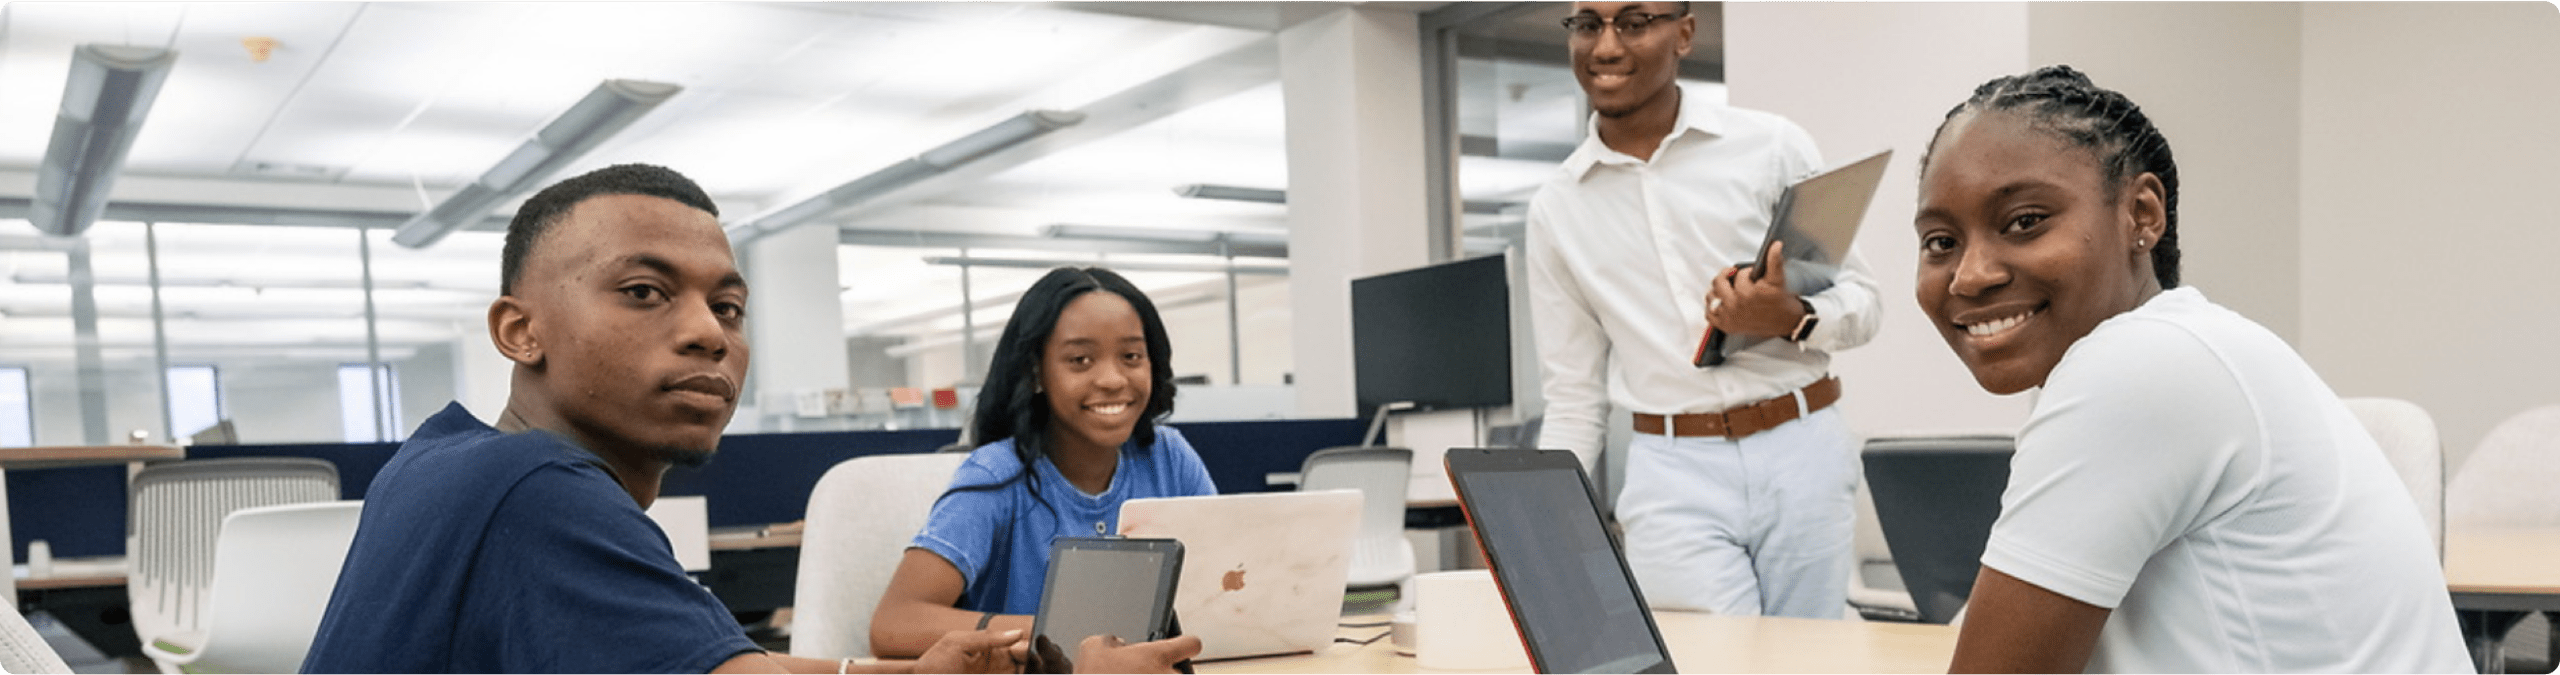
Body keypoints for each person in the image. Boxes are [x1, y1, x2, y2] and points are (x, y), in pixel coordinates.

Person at [301, 164, 1198, 675]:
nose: (706, 332)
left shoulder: (444, 457)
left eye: (728, 307)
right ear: (519, 329)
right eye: (645, 292)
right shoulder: (537, 489)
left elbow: (733, 666)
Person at [1914, 66, 2471, 673]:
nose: (1970, 275)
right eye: (1941, 242)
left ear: (2142, 214)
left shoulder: (2138, 366)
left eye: (2025, 221)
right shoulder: (2188, 347)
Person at [1524, 1, 1881, 618]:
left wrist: (1790, 315)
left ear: (1684, 34)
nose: (1606, 46)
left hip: (1802, 446)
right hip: (1670, 468)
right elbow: (1574, 397)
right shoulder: (1557, 208)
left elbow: (1864, 304)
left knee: (1812, 661)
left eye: (1634, 22)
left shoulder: (1771, 146)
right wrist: (1532, 520)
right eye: (1588, 24)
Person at [870, 267, 1218, 658]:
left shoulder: (1168, 457)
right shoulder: (997, 477)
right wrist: (1058, 631)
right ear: (1036, 372)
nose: (1112, 378)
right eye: (1081, 360)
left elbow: (1228, 584)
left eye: (1132, 356)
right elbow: (894, 623)